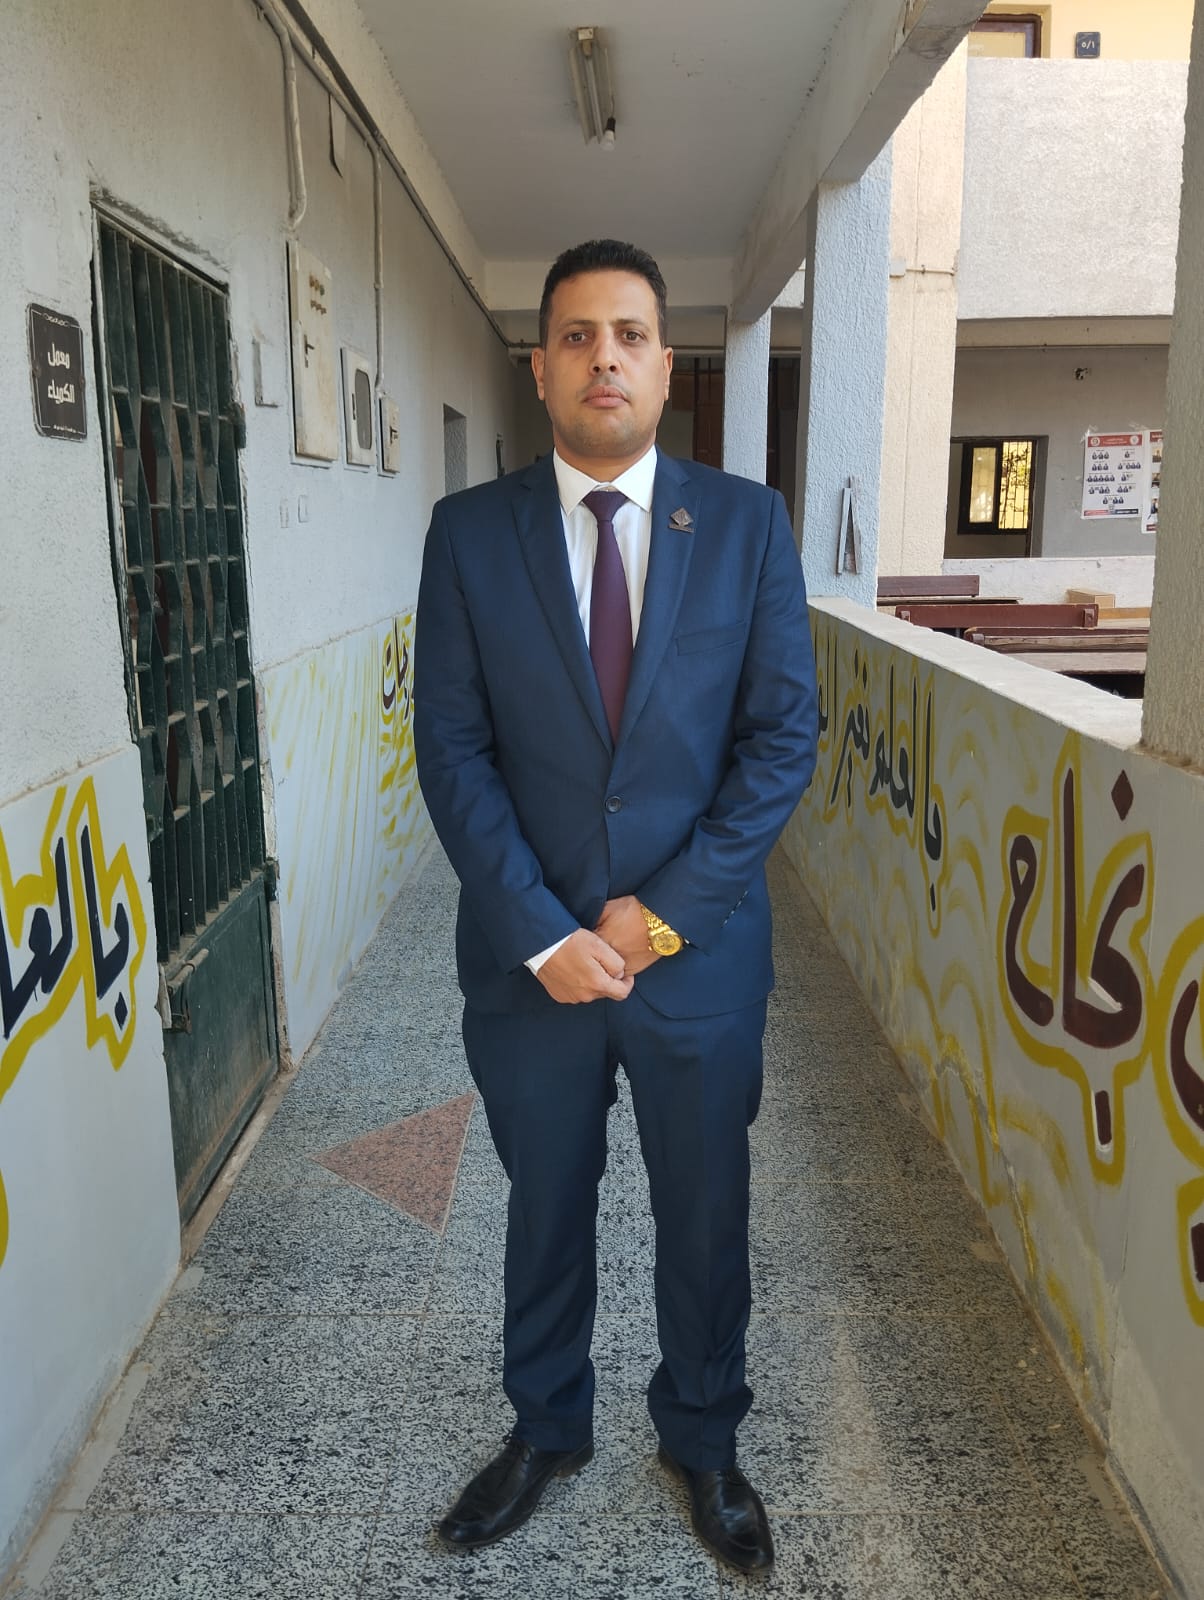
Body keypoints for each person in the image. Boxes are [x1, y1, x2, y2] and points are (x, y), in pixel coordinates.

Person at [413, 239, 818, 1574]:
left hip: (696, 964)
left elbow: (779, 742)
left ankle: (704, 1438)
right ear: (540, 368)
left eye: (630, 334)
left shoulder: (747, 526)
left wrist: (661, 918)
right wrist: (543, 930)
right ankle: (547, 1427)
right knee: (545, 1203)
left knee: (705, 1211)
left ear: (665, 363)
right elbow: (453, 749)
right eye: (578, 336)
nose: (606, 358)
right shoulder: (468, 536)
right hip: (530, 965)